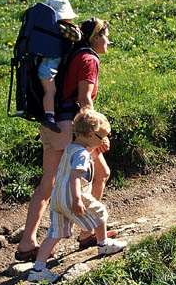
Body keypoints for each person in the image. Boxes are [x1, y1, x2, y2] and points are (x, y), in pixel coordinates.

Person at [16, 15, 116, 261]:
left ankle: (27, 242)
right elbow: (85, 101)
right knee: (100, 174)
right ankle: (87, 231)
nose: (109, 41)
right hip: (71, 127)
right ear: (96, 37)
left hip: (50, 123)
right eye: (106, 36)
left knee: (47, 183)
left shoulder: (71, 55)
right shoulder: (89, 59)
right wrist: (98, 135)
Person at [28, 109, 127, 283]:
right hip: (72, 195)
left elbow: (80, 162)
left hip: (57, 198)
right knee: (100, 212)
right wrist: (78, 199)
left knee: (54, 232)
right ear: (90, 135)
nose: (104, 140)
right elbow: (75, 176)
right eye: (101, 137)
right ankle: (103, 244)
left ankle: (38, 269)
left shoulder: (72, 148)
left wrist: (96, 152)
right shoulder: (81, 154)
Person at [39, 0, 82, 133]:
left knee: (50, 91)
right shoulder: (59, 27)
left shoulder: (42, 28)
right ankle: (49, 116)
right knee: (50, 91)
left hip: (45, 67)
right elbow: (77, 36)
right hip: (47, 69)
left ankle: (49, 114)